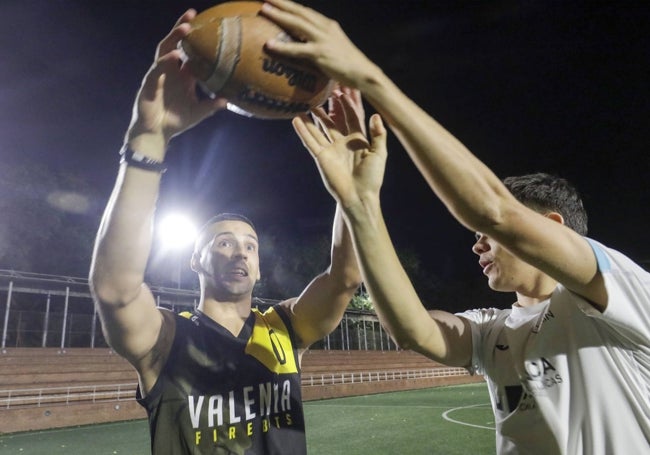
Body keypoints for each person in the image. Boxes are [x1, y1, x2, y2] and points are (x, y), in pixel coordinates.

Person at [260, 0, 650, 453]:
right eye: (480, 237)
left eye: (491, 239)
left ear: (553, 227)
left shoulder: (620, 291)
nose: (478, 244)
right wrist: (359, 201)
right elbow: (411, 329)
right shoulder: (493, 331)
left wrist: (371, 79)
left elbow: (494, 212)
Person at [88, 9, 362, 455]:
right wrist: (148, 139)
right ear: (196, 260)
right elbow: (115, 289)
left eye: (250, 246)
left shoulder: (284, 328)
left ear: (258, 266)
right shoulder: (166, 338)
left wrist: (353, 194)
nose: (240, 253)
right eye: (224, 242)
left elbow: (345, 278)